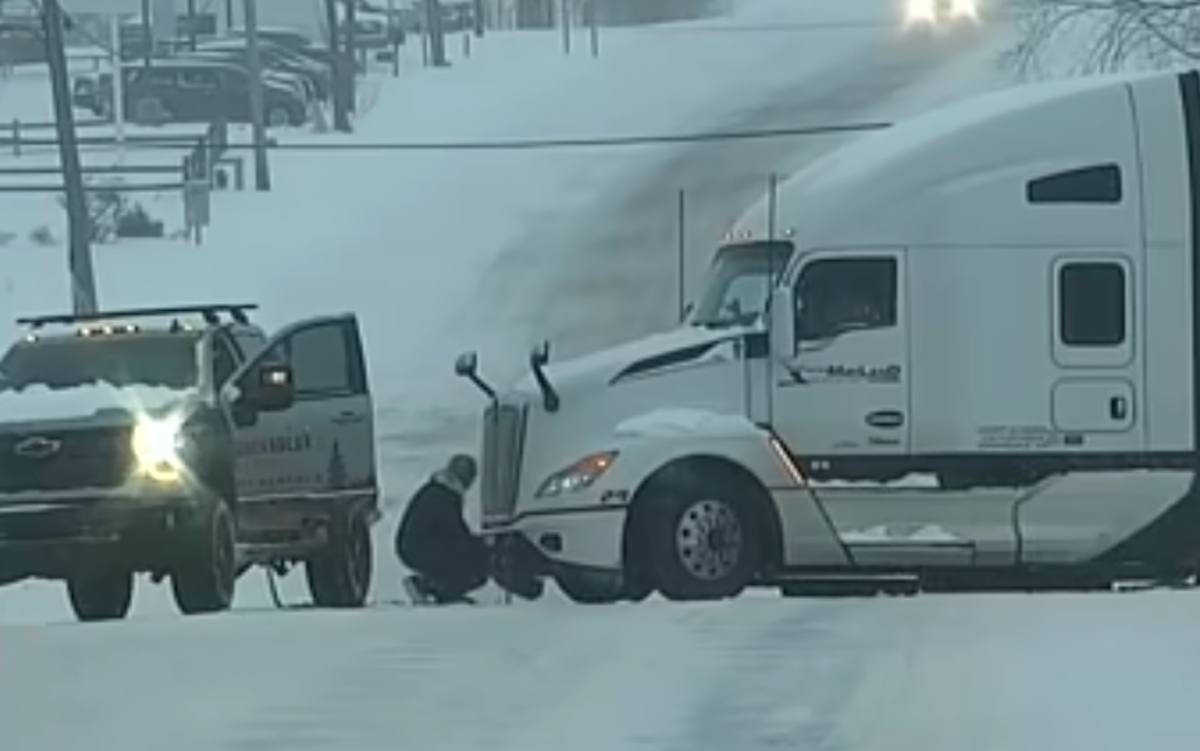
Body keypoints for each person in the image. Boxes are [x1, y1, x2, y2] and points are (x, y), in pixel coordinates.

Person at [395, 454, 490, 605]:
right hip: (419, 548)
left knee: (464, 557)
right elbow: (454, 531)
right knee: (475, 564)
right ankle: (432, 588)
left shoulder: (437, 489)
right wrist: (481, 545)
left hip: (411, 546)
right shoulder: (446, 495)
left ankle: (434, 586)